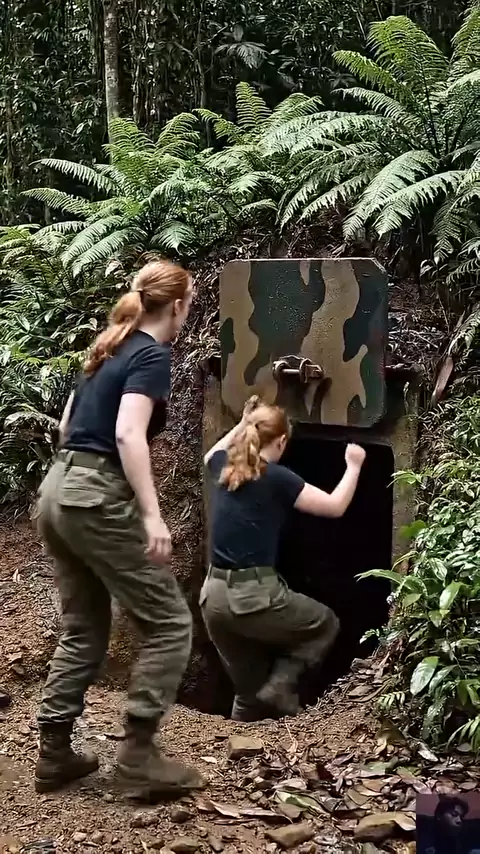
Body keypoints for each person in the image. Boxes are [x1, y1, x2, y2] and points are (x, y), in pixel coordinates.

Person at [33, 259, 204, 799]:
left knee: (83, 628)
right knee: (170, 622)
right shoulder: (151, 354)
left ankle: (54, 753)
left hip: (57, 490)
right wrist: (152, 514)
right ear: (175, 306)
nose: (187, 314)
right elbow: (129, 434)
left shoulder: (106, 347)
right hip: (94, 497)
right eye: (189, 305)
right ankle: (137, 757)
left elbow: (67, 425)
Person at [200, 397, 366, 722]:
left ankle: (234, 743)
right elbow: (335, 506)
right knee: (324, 624)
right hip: (252, 596)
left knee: (248, 692)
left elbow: (210, 456)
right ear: (281, 441)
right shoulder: (276, 477)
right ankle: (281, 685)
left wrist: (242, 422)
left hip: (213, 599)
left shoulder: (224, 466)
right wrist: (354, 465)